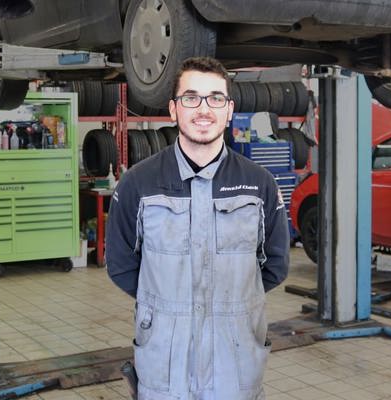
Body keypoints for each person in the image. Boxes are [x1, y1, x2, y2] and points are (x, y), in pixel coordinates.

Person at [105, 56, 290, 399]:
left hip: (235, 362)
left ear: (229, 109)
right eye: (191, 98)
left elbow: (275, 264)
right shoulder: (137, 184)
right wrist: (168, 306)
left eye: (215, 98)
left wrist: (230, 305)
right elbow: (121, 265)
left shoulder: (258, 184)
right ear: (173, 109)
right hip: (165, 361)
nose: (203, 109)